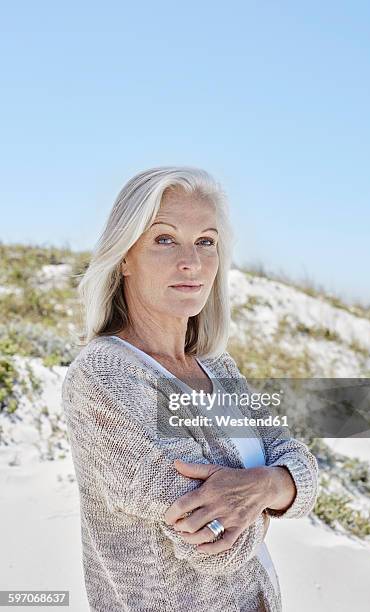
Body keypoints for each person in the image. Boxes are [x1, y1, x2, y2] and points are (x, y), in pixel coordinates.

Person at [62, 166, 319, 612]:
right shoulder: (104, 376)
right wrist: (275, 490)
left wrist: (262, 487)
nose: (192, 262)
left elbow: (302, 468)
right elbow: (211, 543)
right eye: (164, 239)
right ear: (124, 256)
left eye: (206, 241)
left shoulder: (218, 367)